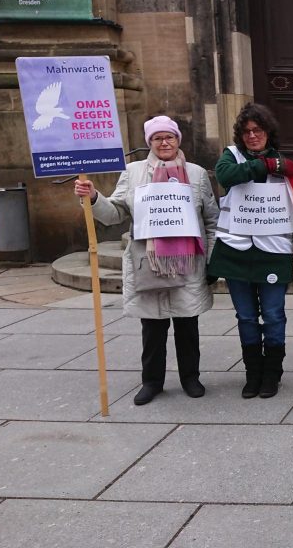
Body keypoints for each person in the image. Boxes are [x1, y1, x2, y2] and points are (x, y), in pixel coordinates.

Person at [73, 115, 219, 406]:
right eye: (157, 138)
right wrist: (93, 198)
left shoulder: (197, 174)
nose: (164, 143)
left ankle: (190, 377)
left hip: (187, 263)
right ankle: (152, 381)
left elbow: (211, 220)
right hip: (147, 262)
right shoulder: (133, 171)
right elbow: (115, 213)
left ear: (178, 139)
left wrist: (213, 260)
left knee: (187, 326)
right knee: (152, 328)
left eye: (169, 137)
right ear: (149, 143)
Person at [208, 103, 293, 399]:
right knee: (246, 316)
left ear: (267, 132)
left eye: (257, 130)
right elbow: (226, 177)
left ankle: (272, 373)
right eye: (246, 131)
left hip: (273, 250)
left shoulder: (283, 162)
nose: (252, 136)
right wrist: (262, 166)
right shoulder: (230, 155)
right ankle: (253, 373)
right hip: (236, 251)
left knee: (273, 315)